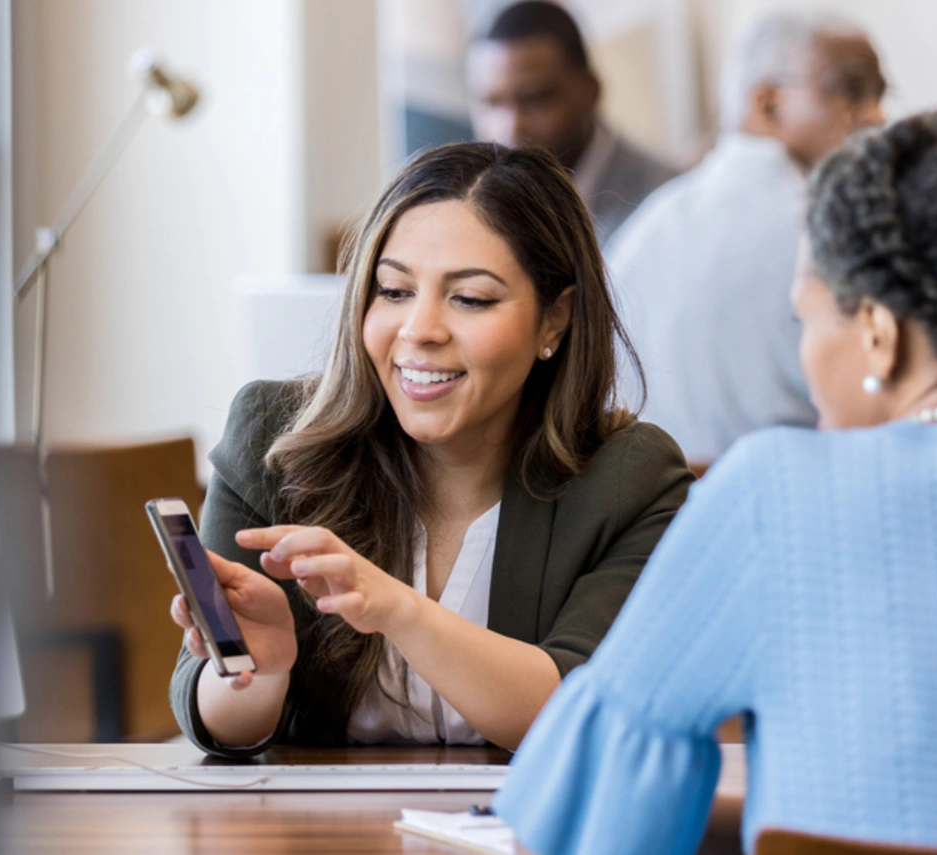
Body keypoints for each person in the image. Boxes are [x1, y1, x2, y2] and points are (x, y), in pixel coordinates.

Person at [495, 106, 937, 854]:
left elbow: (591, 817)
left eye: (805, 321)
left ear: (879, 331)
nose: (805, 362)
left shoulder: (774, 494)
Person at [166, 141, 692, 756]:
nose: (420, 330)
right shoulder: (272, 440)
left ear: (555, 318)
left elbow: (584, 712)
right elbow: (215, 718)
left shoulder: (632, 478)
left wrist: (398, 609)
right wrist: (260, 669)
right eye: (393, 291)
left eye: (470, 298)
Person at [608, 10, 886, 465]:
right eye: (851, 91)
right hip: (799, 513)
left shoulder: (647, 227)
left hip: (650, 523)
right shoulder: (829, 230)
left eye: (880, 95)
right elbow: (885, 416)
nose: (877, 117)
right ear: (767, 103)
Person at [467, 1, 678, 244]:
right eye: (491, 103)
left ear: (591, 91)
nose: (511, 126)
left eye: (535, 99)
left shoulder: (665, 206)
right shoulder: (470, 203)